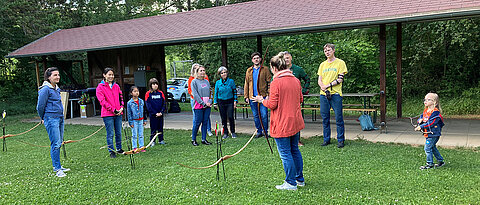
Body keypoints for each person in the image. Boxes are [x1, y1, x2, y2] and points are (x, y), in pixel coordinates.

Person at [253, 52, 305, 190]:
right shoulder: (295, 79)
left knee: (286, 153)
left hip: (283, 123)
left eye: (271, 67)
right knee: (294, 150)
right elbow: (300, 99)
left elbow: (272, 104)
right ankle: (299, 180)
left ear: (275, 68)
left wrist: (261, 100)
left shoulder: (276, 82)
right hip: (295, 121)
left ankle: (291, 183)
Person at [37, 67, 70, 177]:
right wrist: (43, 117)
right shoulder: (45, 89)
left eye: (58, 75)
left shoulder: (56, 88)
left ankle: (59, 166)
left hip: (59, 118)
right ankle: (57, 169)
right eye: (55, 75)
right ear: (48, 77)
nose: (58, 77)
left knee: (59, 142)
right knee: (55, 143)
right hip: (51, 119)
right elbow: (40, 106)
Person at [317, 43, 348, 148]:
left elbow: (340, 79)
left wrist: (328, 85)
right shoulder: (322, 65)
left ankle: (340, 140)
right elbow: (319, 79)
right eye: (325, 51)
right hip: (323, 95)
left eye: (329, 50)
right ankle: (326, 139)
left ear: (333, 50)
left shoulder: (340, 63)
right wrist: (322, 87)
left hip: (335, 94)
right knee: (325, 118)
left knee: (338, 117)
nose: (327, 52)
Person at [284, 51, 310, 146]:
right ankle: (286, 138)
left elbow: (307, 79)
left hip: (295, 99)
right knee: (285, 119)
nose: (286, 59)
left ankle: (297, 140)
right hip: (284, 100)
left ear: (291, 58)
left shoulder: (298, 69)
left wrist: (303, 90)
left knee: (296, 118)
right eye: (284, 58)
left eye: (287, 57)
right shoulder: (280, 70)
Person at [96, 67, 124, 158]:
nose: (111, 76)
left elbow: (121, 97)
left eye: (112, 75)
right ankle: (111, 151)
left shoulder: (116, 86)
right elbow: (102, 101)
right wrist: (113, 110)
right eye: (109, 74)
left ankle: (119, 149)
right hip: (108, 114)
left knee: (118, 132)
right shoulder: (100, 87)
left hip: (118, 114)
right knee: (110, 134)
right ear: (104, 75)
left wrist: (121, 107)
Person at [244, 51, 272, 138]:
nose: (256, 60)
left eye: (257, 58)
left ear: (260, 59)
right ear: (252, 60)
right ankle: (259, 131)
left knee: (264, 114)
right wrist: (246, 96)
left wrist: (268, 94)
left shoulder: (265, 69)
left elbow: (269, 82)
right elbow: (246, 84)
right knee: (256, 115)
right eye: (254, 58)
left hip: (262, 96)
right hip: (252, 96)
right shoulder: (249, 70)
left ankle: (265, 131)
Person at [415, 92, 445, 170]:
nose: (425, 101)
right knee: (432, 147)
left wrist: (421, 126)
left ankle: (429, 164)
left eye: (428, 100)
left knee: (427, 148)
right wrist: (419, 121)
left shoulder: (435, 113)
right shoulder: (426, 111)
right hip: (428, 133)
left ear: (434, 102)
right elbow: (421, 118)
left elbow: (431, 123)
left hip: (434, 134)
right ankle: (441, 161)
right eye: (425, 99)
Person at [188, 63, 213, 137]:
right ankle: (194, 138)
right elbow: (195, 94)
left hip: (207, 104)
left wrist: (210, 101)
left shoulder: (206, 81)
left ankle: (204, 138)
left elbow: (210, 92)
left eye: (203, 70)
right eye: (200, 70)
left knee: (205, 121)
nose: (202, 72)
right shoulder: (194, 81)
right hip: (199, 104)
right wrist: (203, 103)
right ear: (197, 72)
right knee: (197, 122)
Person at [213, 66, 238, 139]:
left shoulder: (231, 81)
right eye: (222, 73)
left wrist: (235, 101)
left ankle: (233, 132)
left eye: (225, 72)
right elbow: (216, 93)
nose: (224, 74)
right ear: (220, 74)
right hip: (221, 102)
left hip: (230, 101)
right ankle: (225, 133)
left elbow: (234, 92)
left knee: (230, 117)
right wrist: (215, 103)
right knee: (223, 118)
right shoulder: (218, 83)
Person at [145, 78, 166, 146]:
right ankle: (152, 141)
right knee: (153, 128)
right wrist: (154, 113)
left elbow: (164, 103)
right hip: (153, 115)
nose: (155, 85)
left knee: (160, 128)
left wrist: (161, 112)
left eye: (156, 84)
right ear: (150, 85)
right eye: (153, 84)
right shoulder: (148, 94)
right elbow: (148, 105)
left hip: (160, 114)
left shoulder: (161, 93)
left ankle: (161, 139)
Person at [127, 86, 147, 152]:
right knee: (134, 134)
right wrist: (130, 122)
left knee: (141, 134)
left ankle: (141, 147)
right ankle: (135, 147)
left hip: (141, 120)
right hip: (134, 121)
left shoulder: (141, 101)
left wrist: (144, 120)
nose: (136, 93)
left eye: (137, 91)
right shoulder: (129, 103)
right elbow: (129, 114)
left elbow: (144, 111)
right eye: (135, 91)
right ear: (131, 93)